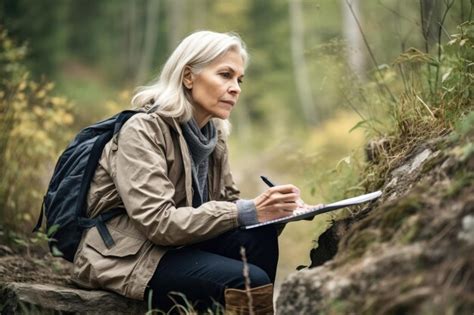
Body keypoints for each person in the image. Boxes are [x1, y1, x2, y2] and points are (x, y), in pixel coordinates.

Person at [72, 31, 303, 314]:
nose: (236, 88)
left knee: (259, 237)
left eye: (239, 80)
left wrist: (275, 212)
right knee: (249, 279)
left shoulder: (213, 135)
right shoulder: (142, 130)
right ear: (188, 77)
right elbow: (159, 224)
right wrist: (246, 210)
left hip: (180, 245)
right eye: (225, 75)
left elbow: (229, 207)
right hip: (130, 254)